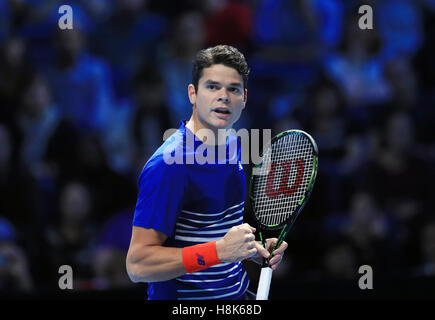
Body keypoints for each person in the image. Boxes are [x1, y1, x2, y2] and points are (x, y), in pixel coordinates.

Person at [126, 45, 288, 300]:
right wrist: (219, 251)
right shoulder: (169, 164)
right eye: (212, 87)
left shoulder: (234, 144)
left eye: (233, 89)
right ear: (193, 94)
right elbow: (138, 265)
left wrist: (248, 249)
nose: (223, 96)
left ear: (244, 98)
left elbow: (209, 233)